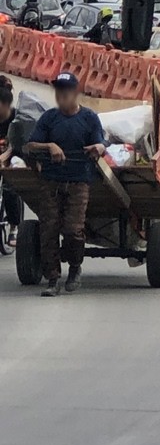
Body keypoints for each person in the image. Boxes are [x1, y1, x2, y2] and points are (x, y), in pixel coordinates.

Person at [23, 72, 106, 297]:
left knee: (72, 229)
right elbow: (30, 145)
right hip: (51, 181)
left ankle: (75, 266)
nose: (61, 96)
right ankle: (52, 278)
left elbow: (100, 142)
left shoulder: (89, 118)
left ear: (75, 93)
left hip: (78, 181)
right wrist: (49, 146)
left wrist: (98, 148)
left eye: (66, 91)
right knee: (48, 229)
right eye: (58, 91)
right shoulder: (49, 118)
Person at [0, 76, 19, 251]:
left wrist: (4, 156)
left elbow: (15, 145)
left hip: (11, 157)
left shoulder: (16, 119)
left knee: (10, 189)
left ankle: (14, 226)